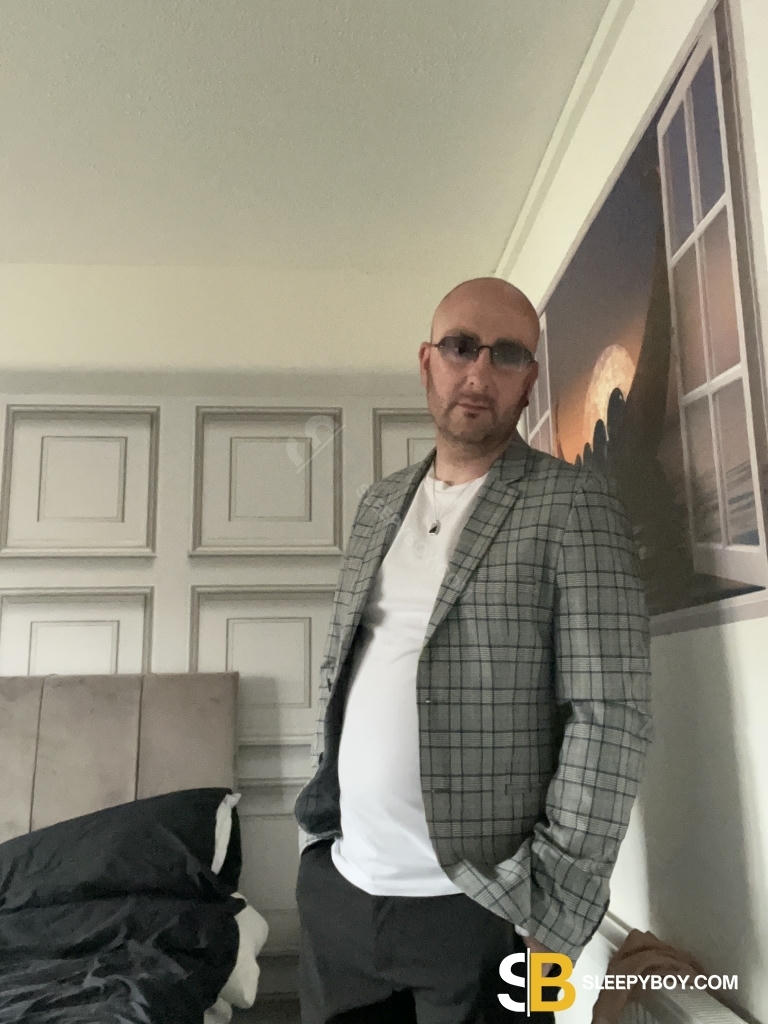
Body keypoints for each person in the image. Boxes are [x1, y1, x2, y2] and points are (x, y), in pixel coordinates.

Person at [294, 277, 652, 1023]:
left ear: (530, 380)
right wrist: (317, 845)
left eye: (507, 354)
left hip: (485, 913)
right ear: (428, 362)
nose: (480, 372)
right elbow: (343, 666)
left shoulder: (574, 505)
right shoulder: (378, 505)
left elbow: (609, 715)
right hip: (343, 894)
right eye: (461, 347)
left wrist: (553, 905)